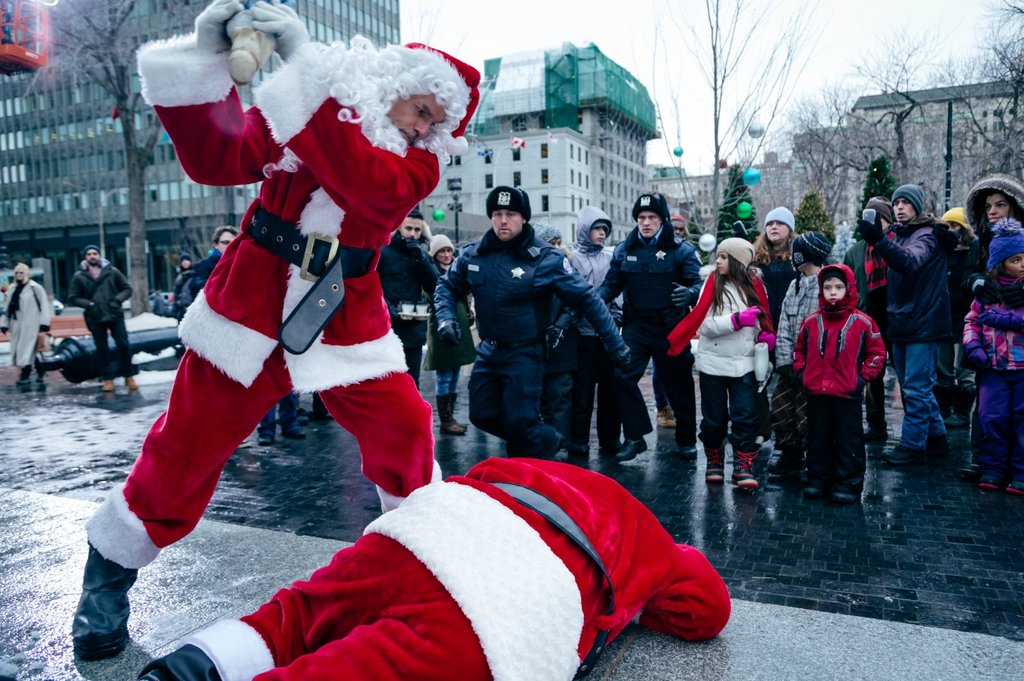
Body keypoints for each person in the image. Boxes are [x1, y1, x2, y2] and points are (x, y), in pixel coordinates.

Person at [71, 0, 481, 661]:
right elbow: (217, 157)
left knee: (404, 431)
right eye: (420, 106)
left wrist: (306, 67)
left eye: (437, 119)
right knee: (182, 449)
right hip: (249, 308)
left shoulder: (415, 163)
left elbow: (366, 182)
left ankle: (417, 562)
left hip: (346, 319)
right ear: (392, 85)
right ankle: (107, 573)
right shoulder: (311, 108)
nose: (424, 124)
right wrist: (207, 64)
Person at [136, 458, 731, 681]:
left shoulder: (549, 469)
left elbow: (482, 471)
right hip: (497, 600)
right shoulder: (654, 544)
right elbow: (707, 611)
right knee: (363, 668)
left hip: (433, 527)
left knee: (299, 613)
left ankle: (194, 665)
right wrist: (651, 589)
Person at [434, 186, 629, 459]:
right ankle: (549, 438)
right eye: (498, 213)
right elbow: (446, 286)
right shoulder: (474, 254)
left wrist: (615, 343)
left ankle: (529, 477)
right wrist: (445, 318)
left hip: (525, 353)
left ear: (523, 218)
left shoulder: (546, 258)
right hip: (489, 351)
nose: (503, 220)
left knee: (520, 421)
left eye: (511, 214)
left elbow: (587, 299)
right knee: (481, 414)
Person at [598, 192, 702, 461]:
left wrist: (690, 294)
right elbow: (612, 285)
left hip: (671, 328)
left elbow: (699, 285)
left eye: (651, 217)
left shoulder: (681, 250)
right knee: (622, 377)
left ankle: (686, 439)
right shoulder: (624, 249)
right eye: (641, 218)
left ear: (662, 219)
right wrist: (593, 300)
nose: (645, 223)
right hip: (637, 327)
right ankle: (635, 436)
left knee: (678, 385)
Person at [857, 185, 955, 465]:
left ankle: (912, 445)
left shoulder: (927, 234)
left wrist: (879, 239)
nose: (899, 207)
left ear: (918, 207)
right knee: (917, 385)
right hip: (901, 321)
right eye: (896, 202)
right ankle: (937, 439)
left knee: (916, 387)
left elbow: (911, 262)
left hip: (923, 324)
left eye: (906, 203)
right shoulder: (898, 235)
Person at [667, 238, 775, 490]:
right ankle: (714, 461)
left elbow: (763, 317)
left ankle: (743, 465)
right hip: (713, 364)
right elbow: (703, 325)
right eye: (718, 256)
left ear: (738, 261)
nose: (718, 261)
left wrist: (764, 333)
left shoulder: (756, 285)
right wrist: (736, 320)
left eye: (724, 257)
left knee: (745, 416)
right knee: (714, 417)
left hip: (744, 363)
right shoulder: (711, 284)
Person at [793, 264, 886, 504]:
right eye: (827, 287)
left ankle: (848, 483)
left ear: (849, 289)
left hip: (847, 393)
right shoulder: (811, 321)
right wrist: (801, 372)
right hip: (816, 392)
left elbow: (876, 353)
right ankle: (818, 478)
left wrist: (862, 378)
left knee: (848, 440)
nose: (833, 292)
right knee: (818, 437)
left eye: (838, 287)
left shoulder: (862, 322)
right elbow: (799, 350)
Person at [961, 175, 1024, 478]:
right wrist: (977, 282)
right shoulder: (981, 242)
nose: (993, 211)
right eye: (988, 207)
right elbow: (963, 276)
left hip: (1019, 351)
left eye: (1000, 204)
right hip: (991, 344)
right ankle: (986, 462)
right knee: (988, 407)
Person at [767, 231, 832, 477]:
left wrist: (813, 363)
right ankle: (789, 451)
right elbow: (783, 326)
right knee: (782, 407)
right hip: (791, 364)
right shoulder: (794, 287)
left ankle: (815, 455)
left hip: (815, 366)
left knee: (809, 412)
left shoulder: (826, 285)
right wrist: (784, 361)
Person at [567, 207, 623, 458]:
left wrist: (616, 316)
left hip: (608, 335)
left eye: (604, 229)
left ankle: (610, 439)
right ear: (584, 230)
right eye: (597, 228)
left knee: (611, 392)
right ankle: (578, 439)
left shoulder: (610, 258)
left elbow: (618, 288)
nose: (602, 234)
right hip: (583, 335)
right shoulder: (572, 259)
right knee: (582, 391)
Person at [844, 196, 894, 443]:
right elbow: (847, 285)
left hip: (895, 319)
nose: (875, 223)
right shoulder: (854, 252)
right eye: (871, 218)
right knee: (872, 376)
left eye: (881, 218)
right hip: (867, 321)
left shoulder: (895, 245)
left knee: (907, 377)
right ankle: (876, 424)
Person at [377, 209, 438, 388]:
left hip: (413, 330)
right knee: (387, 384)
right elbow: (373, 287)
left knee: (411, 385)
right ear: (399, 227)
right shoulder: (383, 252)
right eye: (408, 228)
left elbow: (434, 285)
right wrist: (388, 310)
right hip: (387, 330)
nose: (412, 234)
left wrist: (420, 259)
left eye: (417, 230)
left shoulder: (421, 255)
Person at [423, 234, 474, 435]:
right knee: (444, 375)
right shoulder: (432, 273)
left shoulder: (458, 270)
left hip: (459, 324)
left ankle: (450, 416)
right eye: (442, 251)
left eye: (448, 251)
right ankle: (445, 420)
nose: (446, 255)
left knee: (454, 374)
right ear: (434, 254)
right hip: (441, 327)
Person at [68, 244, 136, 393]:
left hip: (114, 314)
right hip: (95, 317)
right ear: (85, 257)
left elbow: (127, 288)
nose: (92, 256)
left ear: (99, 255)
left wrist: (117, 300)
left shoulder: (112, 271)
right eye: (89, 254)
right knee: (102, 349)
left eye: (95, 253)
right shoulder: (79, 276)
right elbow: (73, 297)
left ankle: (128, 375)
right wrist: (88, 304)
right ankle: (108, 379)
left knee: (123, 345)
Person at [936, 207, 979, 429]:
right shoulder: (942, 249)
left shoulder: (973, 249)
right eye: (948, 226)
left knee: (965, 368)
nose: (952, 230)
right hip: (944, 313)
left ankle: (962, 413)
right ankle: (944, 409)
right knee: (943, 366)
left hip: (966, 314)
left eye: (956, 226)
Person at [1, 262, 51, 385]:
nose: (18, 275)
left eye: (21, 272)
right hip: (16, 324)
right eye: (16, 272)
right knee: (23, 350)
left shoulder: (35, 288)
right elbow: (7, 308)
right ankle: (40, 370)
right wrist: (4, 324)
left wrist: (44, 323)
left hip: (32, 324)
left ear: (26, 274)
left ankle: (26, 373)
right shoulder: (12, 289)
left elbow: (44, 306)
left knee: (26, 349)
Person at [186, 226, 238, 302]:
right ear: (215, 244)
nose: (231, 246)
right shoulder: (203, 266)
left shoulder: (242, 265)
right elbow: (196, 288)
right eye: (226, 242)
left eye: (234, 243)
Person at [171, 252, 195, 321]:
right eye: (183, 261)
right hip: (181, 309)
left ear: (190, 261)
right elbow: (176, 292)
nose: (185, 262)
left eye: (187, 260)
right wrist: (175, 306)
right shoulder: (179, 277)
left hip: (193, 308)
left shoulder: (195, 275)